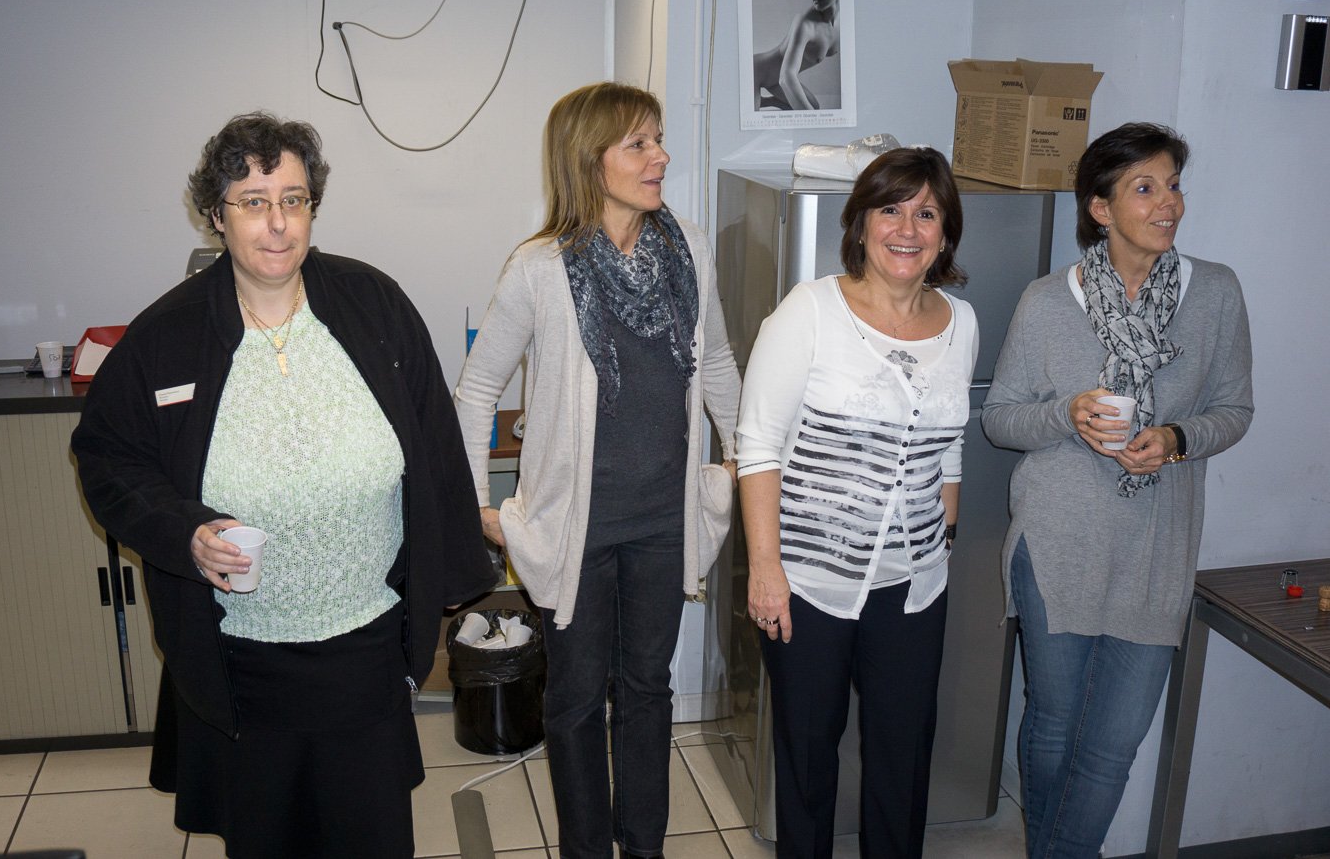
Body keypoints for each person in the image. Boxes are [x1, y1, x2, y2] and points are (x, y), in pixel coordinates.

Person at [71, 112, 496, 859]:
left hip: (367, 643)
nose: (277, 223)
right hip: (243, 655)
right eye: (253, 202)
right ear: (217, 215)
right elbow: (108, 458)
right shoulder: (167, 335)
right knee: (267, 839)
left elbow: (433, 442)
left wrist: (456, 573)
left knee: (371, 838)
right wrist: (182, 531)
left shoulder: (373, 304)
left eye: (293, 200)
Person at [453, 82, 741, 859]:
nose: (661, 156)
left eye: (659, 138)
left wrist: (744, 455)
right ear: (589, 159)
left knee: (648, 688)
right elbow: (477, 388)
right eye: (638, 143)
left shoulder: (689, 249)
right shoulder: (540, 267)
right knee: (577, 698)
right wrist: (477, 502)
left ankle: (643, 846)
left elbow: (715, 359)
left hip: (664, 521)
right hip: (573, 530)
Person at [982, 123, 1253, 859]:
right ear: (1100, 208)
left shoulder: (1216, 292)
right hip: (1056, 544)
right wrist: (1066, 415)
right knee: (1053, 724)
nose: (1169, 203)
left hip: (1156, 549)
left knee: (1112, 744)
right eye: (1146, 187)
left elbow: (1235, 409)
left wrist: (1176, 438)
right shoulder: (1047, 300)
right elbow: (1001, 418)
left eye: (1173, 186)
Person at [737, 147, 977, 859]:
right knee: (808, 757)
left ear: (945, 232)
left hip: (914, 586)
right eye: (890, 209)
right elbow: (758, 445)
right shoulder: (810, 311)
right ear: (861, 222)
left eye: (926, 213)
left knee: (904, 757)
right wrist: (765, 569)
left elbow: (950, 445)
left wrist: (944, 540)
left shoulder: (962, 322)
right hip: (808, 583)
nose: (907, 229)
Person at [753, 0, 840, 111]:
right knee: (811, 112)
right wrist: (813, 120)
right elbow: (786, 77)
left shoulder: (845, 21)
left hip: (775, 80)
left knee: (815, 107)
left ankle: (766, 101)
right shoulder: (805, 23)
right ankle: (756, 99)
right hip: (755, 73)